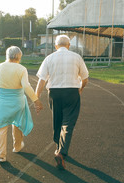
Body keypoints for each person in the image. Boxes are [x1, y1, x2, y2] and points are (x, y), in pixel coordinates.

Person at [35, 35, 89, 170]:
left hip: (54, 92)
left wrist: (36, 98)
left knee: (57, 120)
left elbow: (42, 80)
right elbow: (85, 78)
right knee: (68, 123)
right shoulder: (76, 57)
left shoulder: (49, 58)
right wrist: (80, 89)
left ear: (56, 46)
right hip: (72, 92)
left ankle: (57, 146)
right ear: (69, 45)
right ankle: (61, 152)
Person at [0, 46, 43, 162]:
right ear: (19, 56)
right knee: (18, 123)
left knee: (0, 127)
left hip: (2, 100)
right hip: (17, 101)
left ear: (7, 55)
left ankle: (0, 155)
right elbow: (26, 86)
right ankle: (17, 146)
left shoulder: (0, 66)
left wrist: (1, 94)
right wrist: (36, 100)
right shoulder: (22, 69)